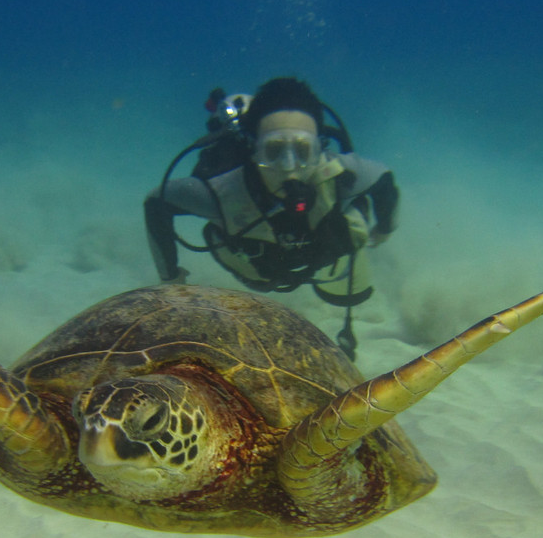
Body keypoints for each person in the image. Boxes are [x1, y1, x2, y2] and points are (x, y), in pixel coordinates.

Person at [144, 77, 399, 360]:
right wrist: (170, 276)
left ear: (320, 149)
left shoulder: (342, 175)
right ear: (253, 149)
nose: (289, 167)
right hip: (260, 262)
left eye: (303, 152)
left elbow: (384, 180)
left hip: (323, 251)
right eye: (274, 151)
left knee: (347, 280)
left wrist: (384, 227)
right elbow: (157, 202)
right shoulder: (220, 192)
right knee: (261, 283)